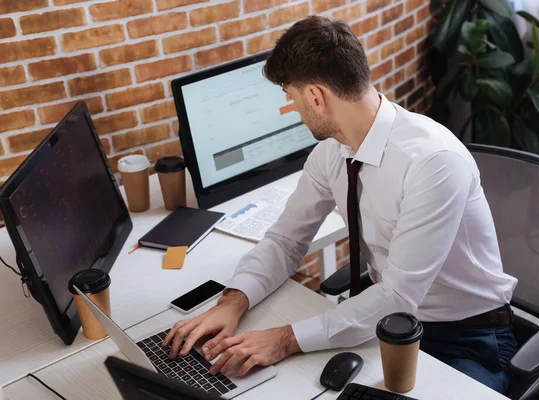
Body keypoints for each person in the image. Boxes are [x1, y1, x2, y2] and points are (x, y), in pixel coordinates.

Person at [163, 15, 519, 394]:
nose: (295, 112)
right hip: (385, 323)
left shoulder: (433, 163)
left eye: (292, 99)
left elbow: (398, 296)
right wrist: (232, 303)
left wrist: (284, 339)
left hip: (467, 338)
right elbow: (285, 240)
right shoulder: (332, 154)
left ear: (316, 96)